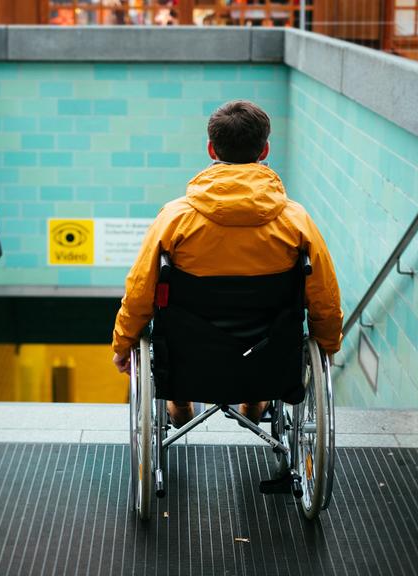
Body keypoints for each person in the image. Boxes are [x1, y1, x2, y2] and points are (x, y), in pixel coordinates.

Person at [112, 99, 342, 427]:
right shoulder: (296, 222)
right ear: (264, 151)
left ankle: (179, 403)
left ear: (210, 149)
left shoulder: (174, 219)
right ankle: (253, 398)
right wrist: (329, 344)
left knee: (175, 324)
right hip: (268, 361)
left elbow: (140, 291)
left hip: (189, 362)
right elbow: (325, 296)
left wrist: (123, 343)